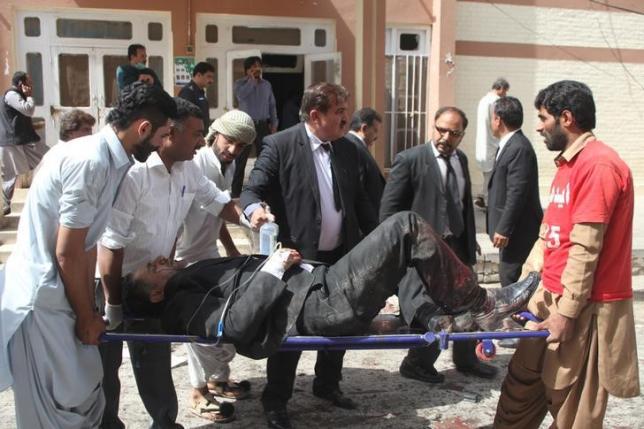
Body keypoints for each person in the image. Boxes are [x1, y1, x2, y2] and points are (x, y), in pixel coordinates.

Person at [127, 212, 540, 363]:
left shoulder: (184, 280)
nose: (160, 262)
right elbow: (233, 325)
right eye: (152, 269)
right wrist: (272, 266)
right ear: (156, 293)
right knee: (406, 228)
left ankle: (453, 316)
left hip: (319, 288)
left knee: (406, 249)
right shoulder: (180, 303)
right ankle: (481, 305)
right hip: (319, 304)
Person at [0, 81, 177, 429]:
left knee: (84, 399)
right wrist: (85, 317)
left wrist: (92, 311)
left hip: (63, 297)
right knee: (58, 412)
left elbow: (87, 243)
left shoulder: (113, 160)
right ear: (143, 128)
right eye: (162, 135)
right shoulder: (90, 162)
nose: (161, 145)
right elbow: (67, 252)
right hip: (43, 302)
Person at [494, 80, 640, 428]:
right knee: (518, 392)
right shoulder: (566, 167)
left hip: (584, 309)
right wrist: (523, 295)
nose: (539, 126)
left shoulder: (599, 165)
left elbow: (586, 247)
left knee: (574, 408)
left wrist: (567, 314)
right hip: (548, 298)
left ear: (567, 118)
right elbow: (549, 237)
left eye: (544, 118)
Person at [98, 98, 246, 427]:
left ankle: (164, 422)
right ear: (169, 133)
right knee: (105, 367)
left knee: (154, 358)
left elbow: (217, 201)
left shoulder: (187, 168)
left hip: (154, 282)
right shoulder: (134, 174)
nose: (201, 141)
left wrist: (254, 218)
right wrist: (114, 305)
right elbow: (111, 242)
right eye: (196, 133)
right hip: (113, 282)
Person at [241, 82, 378, 429]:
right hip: (297, 259)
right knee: (289, 332)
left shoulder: (347, 148)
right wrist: (255, 210)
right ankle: (276, 401)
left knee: (341, 324)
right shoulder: (280, 145)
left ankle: (327, 384)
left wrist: (374, 240)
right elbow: (251, 190)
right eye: (340, 113)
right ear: (316, 116)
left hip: (340, 257)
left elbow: (361, 201)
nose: (347, 120)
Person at [380, 106, 497, 385]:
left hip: (456, 246)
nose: (446, 137)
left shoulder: (461, 159)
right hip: (424, 252)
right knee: (430, 309)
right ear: (433, 126)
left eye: (453, 133)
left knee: (470, 301)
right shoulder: (410, 160)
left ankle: (466, 359)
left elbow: (463, 205)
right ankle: (417, 363)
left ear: (462, 135)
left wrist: (470, 242)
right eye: (441, 130)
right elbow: (388, 212)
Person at [174, 109, 256, 415]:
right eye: (229, 141)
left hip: (208, 253)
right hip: (184, 258)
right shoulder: (196, 164)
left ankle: (219, 381)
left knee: (226, 320)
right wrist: (171, 261)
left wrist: (231, 247)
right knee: (197, 329)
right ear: (215, 133)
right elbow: (178, 216)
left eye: (240, 146)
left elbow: (218, 209)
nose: (232, 150)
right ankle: (197, 391)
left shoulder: (230, 165)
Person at [0, 71, 49, 214]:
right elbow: (28, 110)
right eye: (29, 82)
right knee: (11, 175)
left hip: (23, 140)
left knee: (47, 158)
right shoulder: (12, 94)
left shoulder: (15, 95)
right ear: (21, 84)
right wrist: (29, 97)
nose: (32, 85)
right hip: (12, 141)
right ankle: (4, 205)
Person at [231, 56, 278, 197]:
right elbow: (241, 97)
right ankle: (235, 193)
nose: (257, 69)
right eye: (253, 67)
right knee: (240, 159)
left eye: (259, 66)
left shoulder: (267, 85)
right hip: (246, 125)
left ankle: (262, 189)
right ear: (247, 70)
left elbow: (272, 105)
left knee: (264, 158)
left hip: (263, 125)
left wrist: (274, 123)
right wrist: (251, 81)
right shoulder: (240, 84)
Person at [475, 77, 509, 209]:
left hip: (484, 143)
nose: (505, 94)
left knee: (488, 174)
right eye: (505, 91)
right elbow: (496, 123)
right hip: (492, 142)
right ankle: (489, 203)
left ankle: (482, 196)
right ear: (500, 88)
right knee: (492, 175)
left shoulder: (483, 100)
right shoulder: (495, 102)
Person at [345, 107, 385, 213]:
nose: (376, 137)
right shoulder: (352, 147)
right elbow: (358, 191)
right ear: (364, 128)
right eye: (375, 131)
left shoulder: (357, 146)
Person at [178, 61, 215, 133]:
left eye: (212, 77)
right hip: (192, 134)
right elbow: (186, 117)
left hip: (201, 134)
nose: (211, 80)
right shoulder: (188, 91)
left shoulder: (200, 92)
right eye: (208, 77)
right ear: (198, 75)